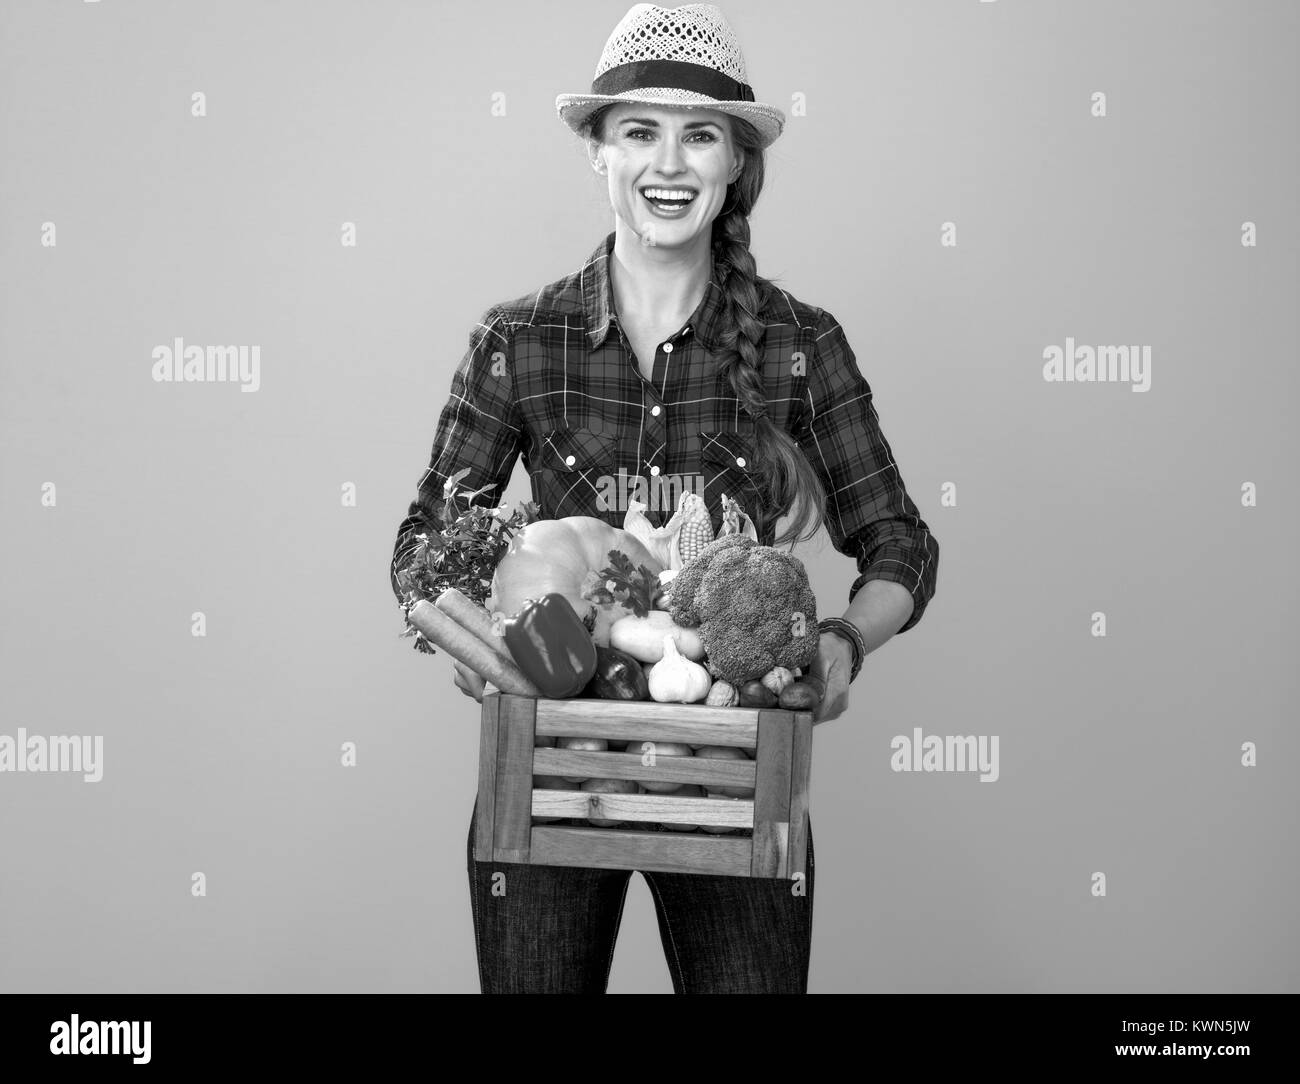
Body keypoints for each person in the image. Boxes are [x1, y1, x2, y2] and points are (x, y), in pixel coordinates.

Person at [389, 2, 938, 993]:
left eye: (701, 136)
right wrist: (481, 650)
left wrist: (844, 642)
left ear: (735, 164)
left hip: (736, 771)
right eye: (639, 131)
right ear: (596, 151)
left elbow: (899, 543)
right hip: (550, 767)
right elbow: (424, 541)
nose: (669, 163)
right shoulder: (521, 339)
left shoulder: (798, 343)